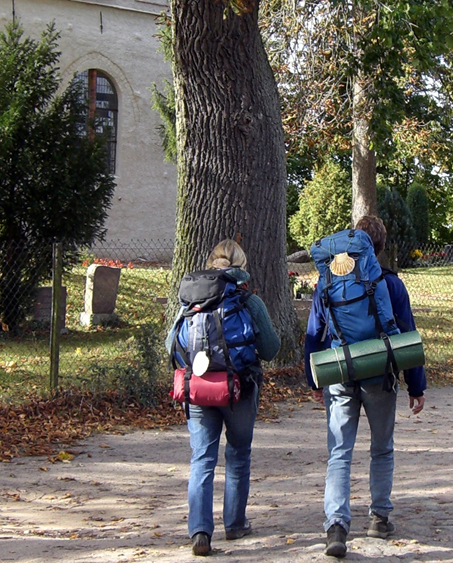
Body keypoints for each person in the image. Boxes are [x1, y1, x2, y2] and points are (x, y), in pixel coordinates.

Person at [303, 216, 427, 558]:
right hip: (379, 374)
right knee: (381, 447)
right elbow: (406, 334)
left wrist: (314, 378)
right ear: (381, 246)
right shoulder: (391, 283)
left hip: (340, 373)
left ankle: (336, 527)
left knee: (339, 452)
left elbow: (315, 332)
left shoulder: (328, 280)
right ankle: (378, 517)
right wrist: (416, 385)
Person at [180, 239, 280, 556]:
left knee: (202, 459)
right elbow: (272, 349)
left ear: (211, 264)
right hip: (239, 388)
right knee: (238, 454)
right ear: (242, 268)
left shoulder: (191, 301)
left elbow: (174, 347)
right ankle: (235, 524)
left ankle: (199, 531)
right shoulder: (249, 302)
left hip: (197, 389)